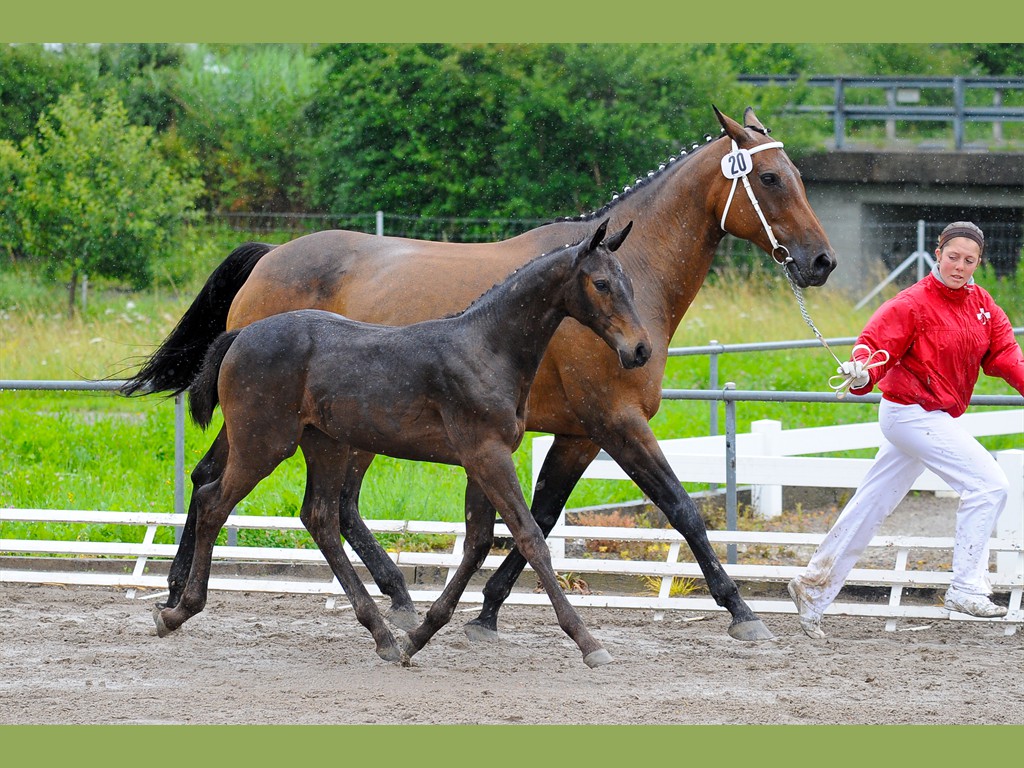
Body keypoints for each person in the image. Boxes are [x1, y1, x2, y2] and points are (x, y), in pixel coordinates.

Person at [788, 221, 1024, 639]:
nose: (959, 266)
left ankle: (813, 586)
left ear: (978, 263)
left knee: (870, 505)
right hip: (911, 415)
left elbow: (1005, 353)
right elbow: (875, 343)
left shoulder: (983, 305)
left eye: (969, 261)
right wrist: (861, 372)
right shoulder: (912, 303)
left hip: (931, 418)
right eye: (953, 257)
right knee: (989, 485)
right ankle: (966, 585)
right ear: (939, 253)